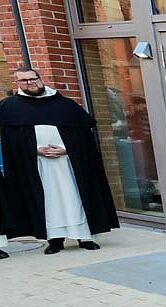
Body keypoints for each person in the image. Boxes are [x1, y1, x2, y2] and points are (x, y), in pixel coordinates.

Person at [0, 67, 119, 254]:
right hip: (38, 166)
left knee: (76, 198)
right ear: (18, 83)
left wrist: (67, 149)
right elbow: (10, 141)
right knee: (48, 202)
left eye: (32, 78)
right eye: (24, 80)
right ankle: (55, 240)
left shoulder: (65, 104)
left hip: (69, 164)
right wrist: (33, 150)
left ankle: (85, 237)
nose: (30, 83)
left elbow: (84, 136)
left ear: (40, 78)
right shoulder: (9, 107)